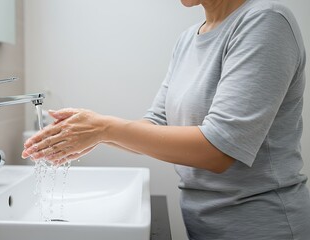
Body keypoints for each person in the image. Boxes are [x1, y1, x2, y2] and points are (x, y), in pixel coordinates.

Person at [21, 0, 310, 239]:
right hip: (203, 225)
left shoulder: (265, 21)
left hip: (264, 227)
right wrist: (97, 134)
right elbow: (156, 124)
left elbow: (219, 149)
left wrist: (104, 127)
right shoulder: (187, 40)